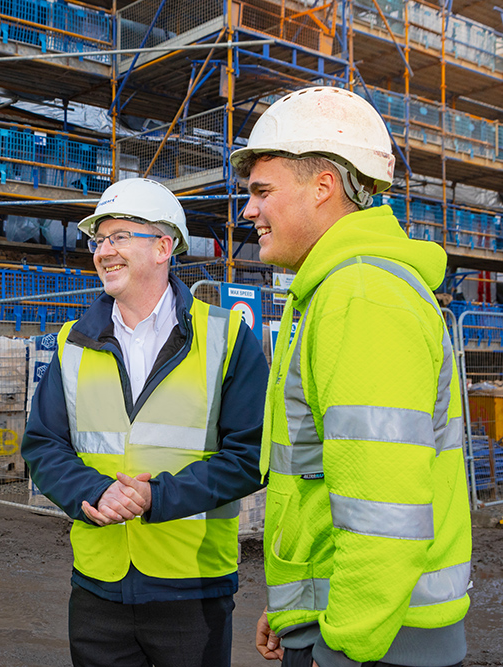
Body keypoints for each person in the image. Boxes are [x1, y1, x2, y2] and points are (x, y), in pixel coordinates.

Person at [230, 86, 472, 667]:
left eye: (263, 191)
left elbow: (383, 507)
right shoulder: (337, 288)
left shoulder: (359, 294)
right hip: (353, 622)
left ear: (323, 187)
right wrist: (298, 611)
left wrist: (344, 639)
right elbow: (326, 481)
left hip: (375, 641)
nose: (248, 211)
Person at [21, 177, 269, 667]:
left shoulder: (225, 337)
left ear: (163, 245)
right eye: (98, 240)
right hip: (98, 588)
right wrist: (91, 491)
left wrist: (159, 496)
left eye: (118, 237)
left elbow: (251, 455)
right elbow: (43, 446)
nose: (103, 251)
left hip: (191, 589)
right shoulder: (74, 340)